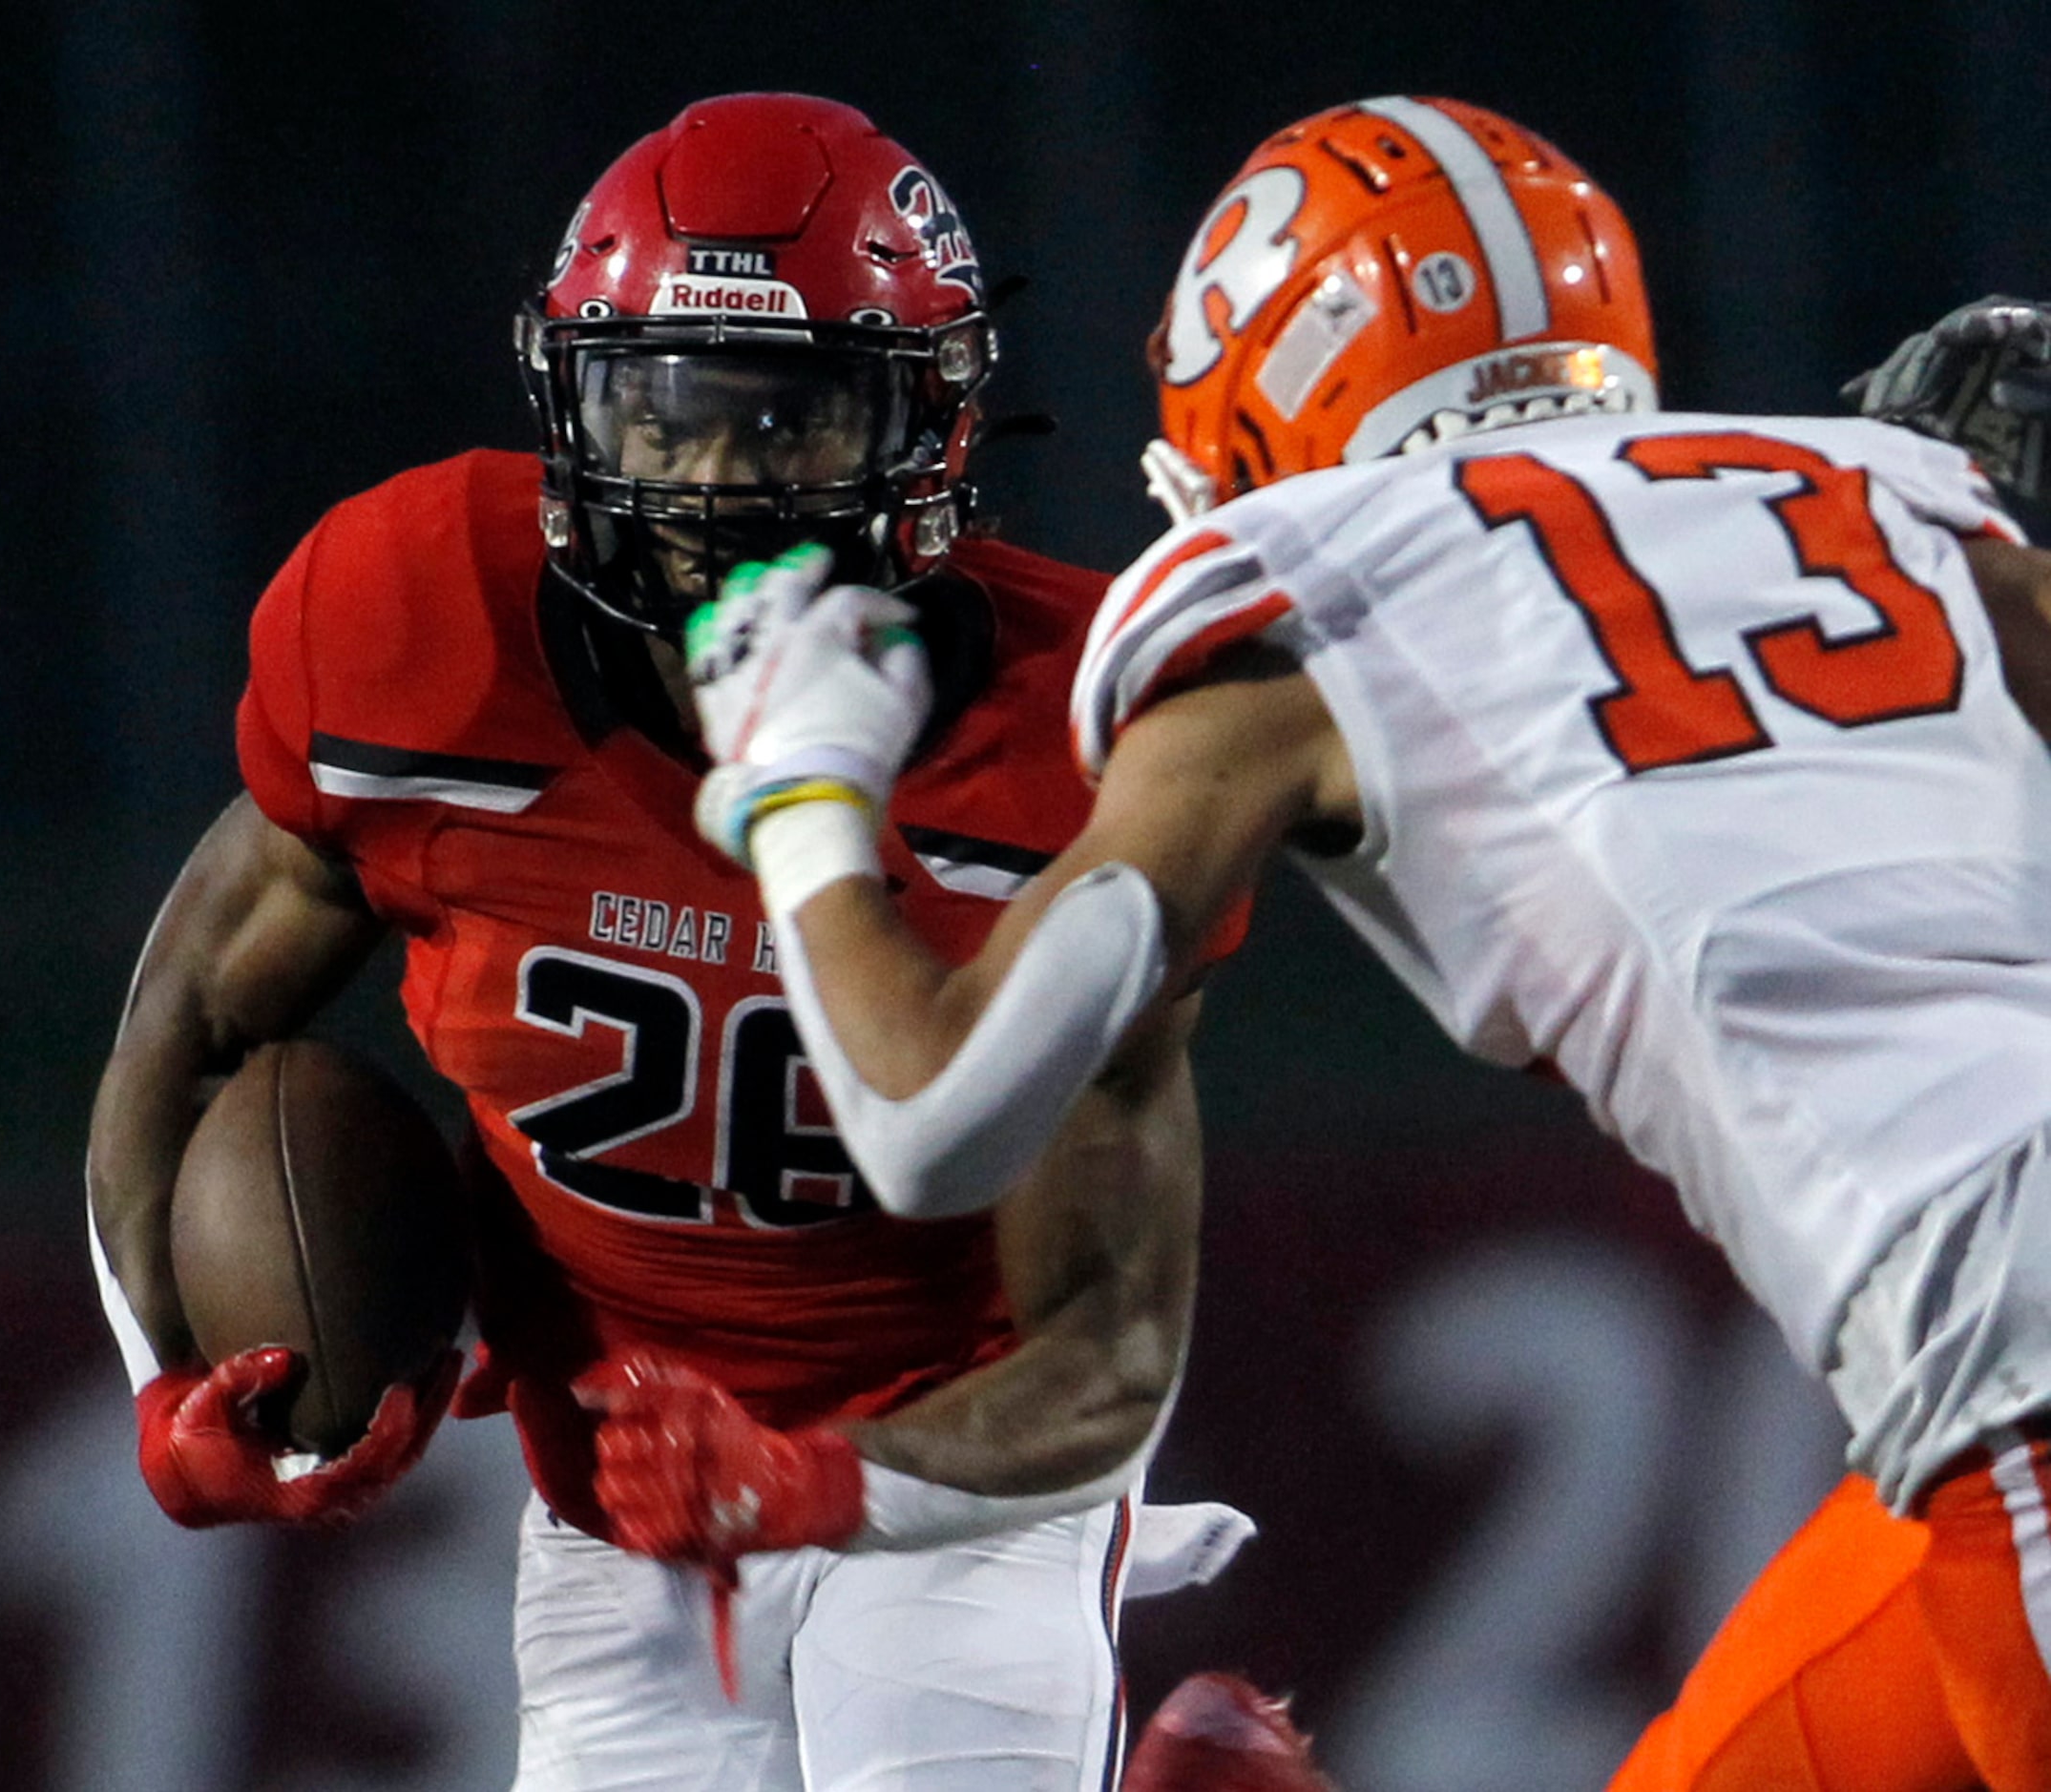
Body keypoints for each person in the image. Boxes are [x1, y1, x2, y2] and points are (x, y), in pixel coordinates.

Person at [679, 95, 2051, 1792]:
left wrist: (800, 789)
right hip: (1979, 1420)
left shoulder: (1307, 589)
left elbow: (935, 1114)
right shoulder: (1898, 494)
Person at [85, 92, 1249, 1792]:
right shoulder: (416, 628)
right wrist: (160, 1375)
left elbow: (1110, 1341)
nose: (712, 482)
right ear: (568, 401)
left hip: (943, 1464)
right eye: (666, 414)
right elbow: (188, 1014)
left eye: (782, 424)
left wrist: (832, 1480)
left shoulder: (1074, 748)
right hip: (614, 1484)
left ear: (933, 433)